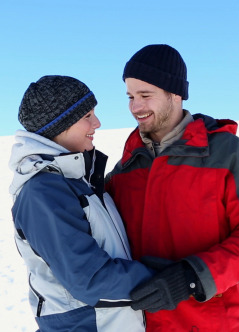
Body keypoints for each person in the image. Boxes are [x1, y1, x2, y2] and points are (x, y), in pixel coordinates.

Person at [105, 44, 239, 331]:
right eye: (130, 97)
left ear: (175, 95)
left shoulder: (227, 154)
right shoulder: (125, 169)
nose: (135, 107)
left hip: (215, 324)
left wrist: (193, 276)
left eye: (145, 96)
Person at [8, 75, 154, 331]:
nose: (97, 123)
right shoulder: (43, 191)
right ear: (59, 125)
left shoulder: (78, 180)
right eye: (87, 115)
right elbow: (89, 279)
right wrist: (162, 278)